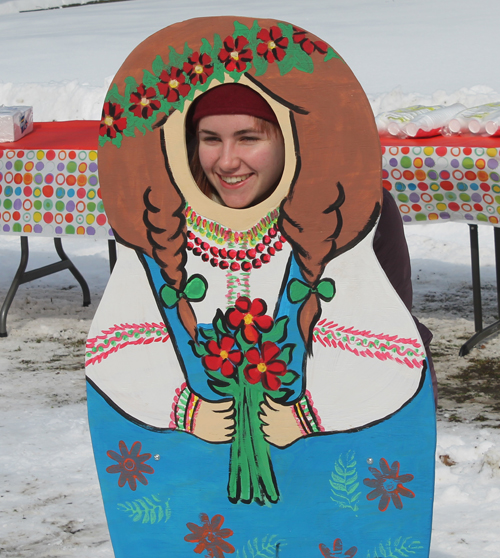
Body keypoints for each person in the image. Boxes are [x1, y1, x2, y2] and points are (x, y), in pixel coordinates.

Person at [88, 17, 436, 555]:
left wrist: (310, 413)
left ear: (291, 138)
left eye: (249, 138)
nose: (227, 161)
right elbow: (122, 346)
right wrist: (184, 409)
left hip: (328, 469)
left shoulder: (341, 225)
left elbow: (388, 346)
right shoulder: (163, 240)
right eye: (209, 139)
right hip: (191, 481)